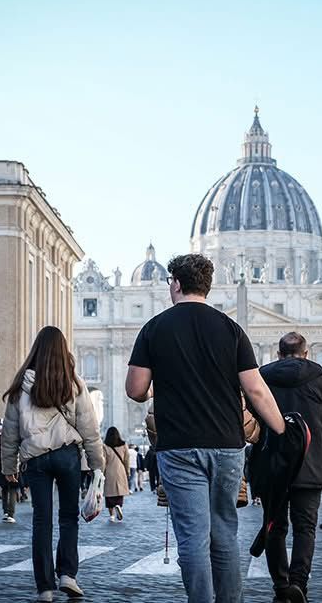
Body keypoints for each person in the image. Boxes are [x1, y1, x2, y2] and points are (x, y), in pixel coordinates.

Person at [125, 253, 285, 603]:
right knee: (224, 533)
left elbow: (136, 390)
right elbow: (256, 389)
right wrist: (281, 429)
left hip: (178, 447)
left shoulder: (154, 327)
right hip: (227, 445)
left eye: (170, 282)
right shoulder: (231, 329)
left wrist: (163, 383)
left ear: (177, 284)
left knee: (193, 538)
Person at [0, 325, 104, 602]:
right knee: (69, 517)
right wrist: (97, 464)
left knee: (41, 521)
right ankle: (67, 574)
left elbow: (10, 430)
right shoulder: (73, 382)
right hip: (67, 455)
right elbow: (89, 427)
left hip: (35, 459)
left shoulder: (21, 384)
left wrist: (8, 466)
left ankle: (45, 586)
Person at [259, 332, 322, 603]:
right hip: (310, 464)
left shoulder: (262, 378)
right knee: (305, 528)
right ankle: (299, 584)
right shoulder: (318, 380)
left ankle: (280, 587)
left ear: (278, 354)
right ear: (306, 353)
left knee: (274, 526)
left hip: (273, 464)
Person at [102, 427, 130, 522]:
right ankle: (118, 505)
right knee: (119, 492)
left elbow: (103, 461)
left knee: (110, 495)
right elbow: (126, 460)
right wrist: (127, 471)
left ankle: (112, 516)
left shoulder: (105, 446)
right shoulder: (124, 445)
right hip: (121, 471)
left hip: (109, 471)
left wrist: (102, 473)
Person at [0, 434, 17, 522]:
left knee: (4, 489)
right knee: (13, 489)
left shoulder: (0, 437)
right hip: (14, 464)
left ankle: (6, 511)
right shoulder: (17, 435)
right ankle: (11, 513)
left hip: (1, 464)